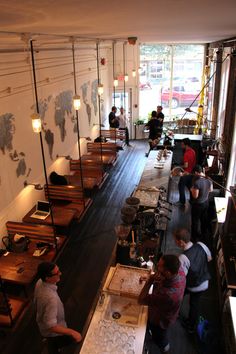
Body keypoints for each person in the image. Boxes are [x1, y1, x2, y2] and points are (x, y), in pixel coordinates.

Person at [138, 254, 186, 353]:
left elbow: (141, 300)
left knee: (160, 338)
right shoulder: (179, 270)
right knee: (156, 333)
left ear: (168, 272)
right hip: (168, 311)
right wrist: (155, 277)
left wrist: (150, 280)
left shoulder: (168, 295)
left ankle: (165, 349)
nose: (157, 268)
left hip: (161, 320)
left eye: (160, 266)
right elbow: (166, 279)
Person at [34, 262, 82, 354]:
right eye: (57, 273)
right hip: (53, 333)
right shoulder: (50, 299)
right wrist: (73, 332)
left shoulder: (39, 282)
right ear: (47, 278)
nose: (60, 273)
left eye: (58, 270)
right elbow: (51, 326)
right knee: (55, 345)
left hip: (42, 324)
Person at [173, 228, 212, 333]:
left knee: (178, 295)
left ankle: (179, 317)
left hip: (194, 285)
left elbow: (181, 276)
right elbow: (209, 258)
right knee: (195, 303)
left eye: (176, 241)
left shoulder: (183, 257)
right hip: (205, 281)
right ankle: (191, 325)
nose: (175, 242)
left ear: (181, 242)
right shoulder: (201, 245)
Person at [190, 165, 213, 242]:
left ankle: (194, 237)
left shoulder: (197, 183)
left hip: (198, 205)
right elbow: (211, 190)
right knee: (203, 219)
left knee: (195, 221)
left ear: (196, 172)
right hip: (206, 203)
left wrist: (192, 190)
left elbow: (195, 196)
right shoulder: (209, 179)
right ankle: (203, 235)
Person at [175, 138, 196, 207]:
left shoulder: (186, 154)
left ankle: (182, 202)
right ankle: (192, 200)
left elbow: (186, 165)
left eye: (182, 144)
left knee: (181, 186)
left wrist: (179, 166)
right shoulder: (193, 151)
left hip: (186, 173)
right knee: (189, 186)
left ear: (186, 145)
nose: (181, 146)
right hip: (192, 173)